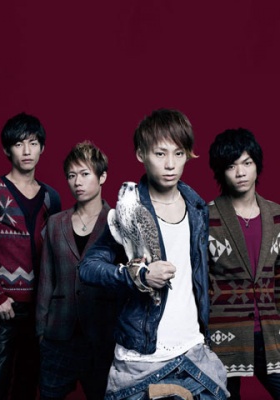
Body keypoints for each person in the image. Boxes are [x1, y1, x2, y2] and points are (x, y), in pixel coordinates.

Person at [79, 109, 229, 400]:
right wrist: (139, 275)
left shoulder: (197, 207)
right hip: (143, 357)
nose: (170, 164)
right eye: (160, 154)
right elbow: (88, 267)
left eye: (179, 153)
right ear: (141, 155)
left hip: (193, 349)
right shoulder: (129, 209)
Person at [0, 112, 61, 400]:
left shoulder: (51, 197)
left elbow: (55, 254)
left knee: (28, 383)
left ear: (42, 148)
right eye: (19, 143)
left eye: (33, 143)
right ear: (6, 149)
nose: (27, 151)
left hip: (40, 309)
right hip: (4, 306)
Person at [36, 141, 122, 400]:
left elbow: (125, 281)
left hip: (102, 336)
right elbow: (46, 279)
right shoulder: (55, 223)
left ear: (102, 176)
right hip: (58, 335)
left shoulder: (117, 223)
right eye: (71, 176)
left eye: (85, 174)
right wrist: (41, 331)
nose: (77, 182)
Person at [208, 128, 280, 399]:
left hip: (271, 335)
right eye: (231, 166)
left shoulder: (276, 216)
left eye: (247, 163)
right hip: (223, 335)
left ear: (257, 165)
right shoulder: (206, 217)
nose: (240, 172)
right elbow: (197, 281)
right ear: (221, 171)